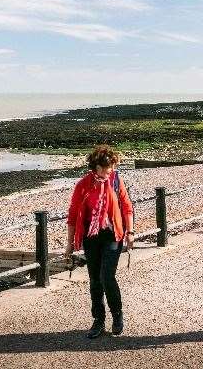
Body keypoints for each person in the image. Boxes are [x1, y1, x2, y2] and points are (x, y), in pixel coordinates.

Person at [65, 145, 134, 338]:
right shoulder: (83, 185)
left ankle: (117, 315)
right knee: (95, 280)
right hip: (91, 237)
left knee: (107, 276)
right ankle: (98, 320)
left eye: (111, 167)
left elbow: (127, 207)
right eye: (105, 167)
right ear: (95, 166)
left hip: (113, 235)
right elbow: (72, 216)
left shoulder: (115, 180)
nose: (109, 171)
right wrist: (70, 243)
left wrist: (131, 232)